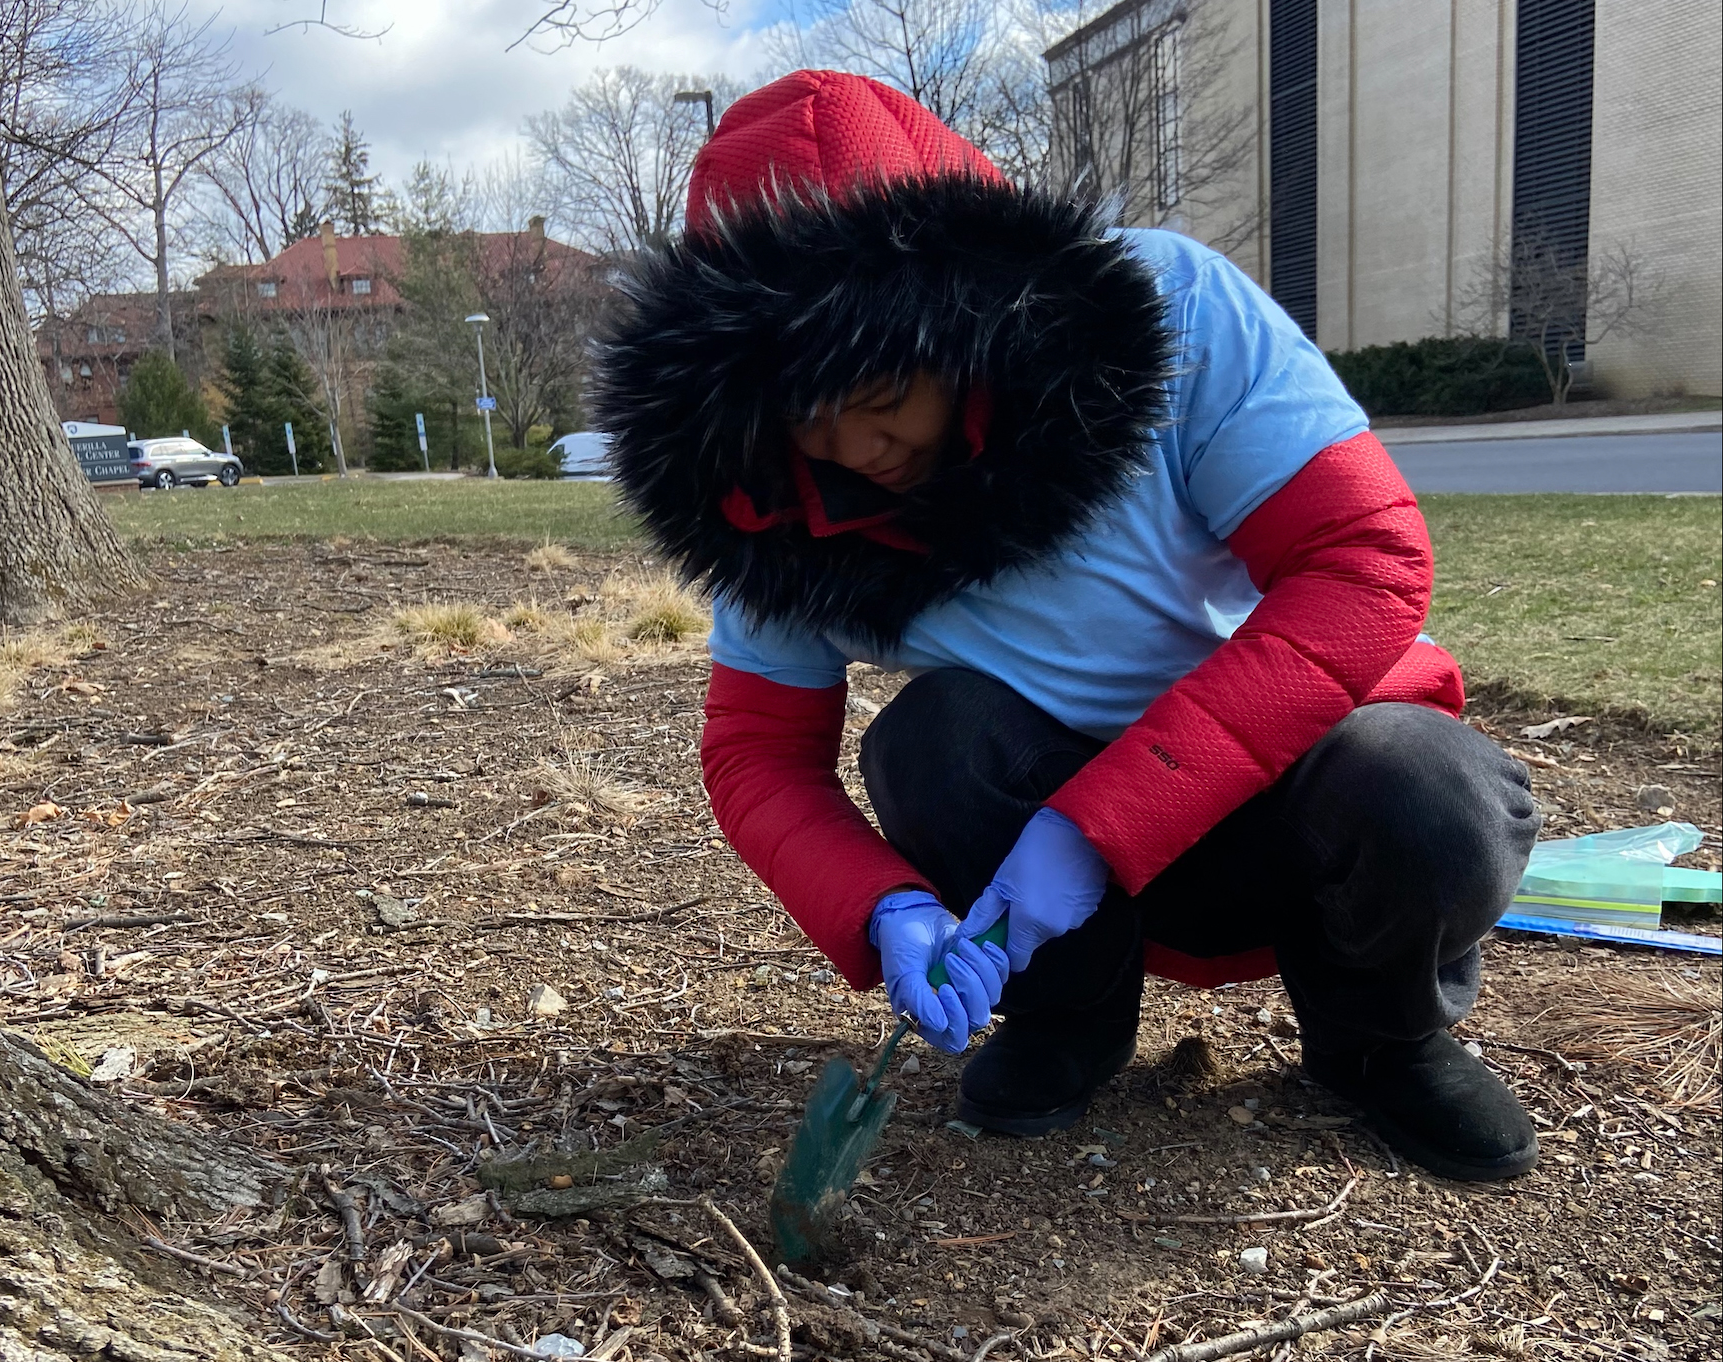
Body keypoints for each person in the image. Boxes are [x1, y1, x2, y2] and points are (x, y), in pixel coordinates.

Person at [593, 70, 1542, 1182]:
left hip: (1295, 791)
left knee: (1424, 791)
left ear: (968, 316)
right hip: (1036, 860)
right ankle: (1064, 1019)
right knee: (930, 739)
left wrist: (1096, 830)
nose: (856, 450)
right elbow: (755, 753)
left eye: (884, 386)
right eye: (806, 412)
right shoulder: (766, 505)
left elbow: (1364, 563)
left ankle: (1379, 1042)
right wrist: (882, 905)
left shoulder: (1169, 312)